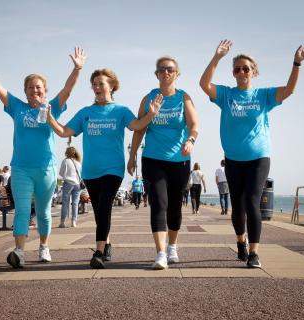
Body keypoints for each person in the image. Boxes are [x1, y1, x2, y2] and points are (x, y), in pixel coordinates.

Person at [199, 39, 304, 268]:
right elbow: (204, 84)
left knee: (252, 202)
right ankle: (240, 242)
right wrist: (217, 57)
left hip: (259, 157)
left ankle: (253, 253)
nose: (241, 71)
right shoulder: (225, 95)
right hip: (233, 158)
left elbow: (289, 90)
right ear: (233, 73)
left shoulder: (263, 96)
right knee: (237, 207)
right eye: (237, 69)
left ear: (254, 72)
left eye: (246, 68)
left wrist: (296, 63)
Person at [0, 47, 86, 268]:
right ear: (25, 91)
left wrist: (77, 68)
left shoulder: (53, 107)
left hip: (46, 169)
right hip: (21, 169)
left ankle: (44, 246)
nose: (35, 90)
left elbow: (68, 90)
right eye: (30, 87)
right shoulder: (17, 107)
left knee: (43, 212)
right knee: (23, 211)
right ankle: (19, 252)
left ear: (45, 90)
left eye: (39, 87)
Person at [47, 68, 163, 269]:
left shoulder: (120, 111)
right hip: (91, 171)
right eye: (94, 84)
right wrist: (49, 118)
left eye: (101, 83)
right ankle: (107, 244)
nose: (97, 87)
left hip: (113, 168)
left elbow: (136, 126)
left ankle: (99, 252)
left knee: (105, 206)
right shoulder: (86, 113)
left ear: (112, 86)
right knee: (99, 211)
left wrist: (151, 114)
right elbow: (64, 131)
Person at [128, 55, 199, 270]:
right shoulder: (149, 98)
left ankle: (172, 247)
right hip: (153, 159)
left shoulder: (183, 98)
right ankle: (160, 253)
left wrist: (190, 140)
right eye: (162, 69)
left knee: (175, 207)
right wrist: (131, 157)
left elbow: (194, 124)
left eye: (170, 69)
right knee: (158, 203)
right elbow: (139, 128)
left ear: (177, 74)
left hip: (180, 160)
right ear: (156, 74)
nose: (166, 72)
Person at [59, 146, 82, 228]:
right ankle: (74, 222)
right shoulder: (78, 163)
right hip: (77, 185)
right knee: (75, 204)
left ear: (67, 152)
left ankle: (63, 222)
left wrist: (66, 176)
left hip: (68, 183)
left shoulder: (65, 161)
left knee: (65, 203)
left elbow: (61, 173)